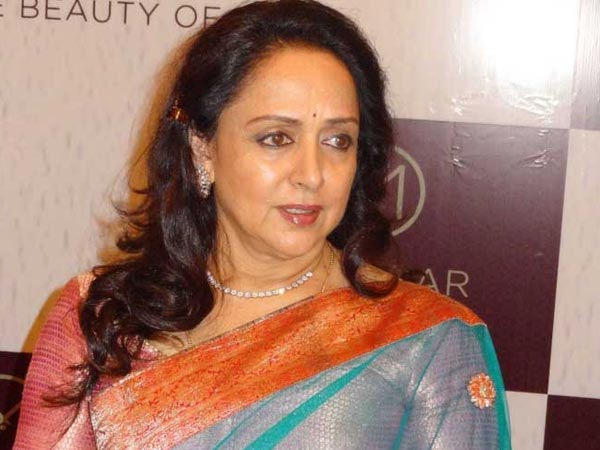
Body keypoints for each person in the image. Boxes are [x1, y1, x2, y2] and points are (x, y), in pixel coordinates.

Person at [14, 0, 511, 448]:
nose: (312, 174)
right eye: (276, 138)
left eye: (337, 141)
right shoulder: (101, 319)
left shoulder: (424, 342)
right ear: (202, 148)